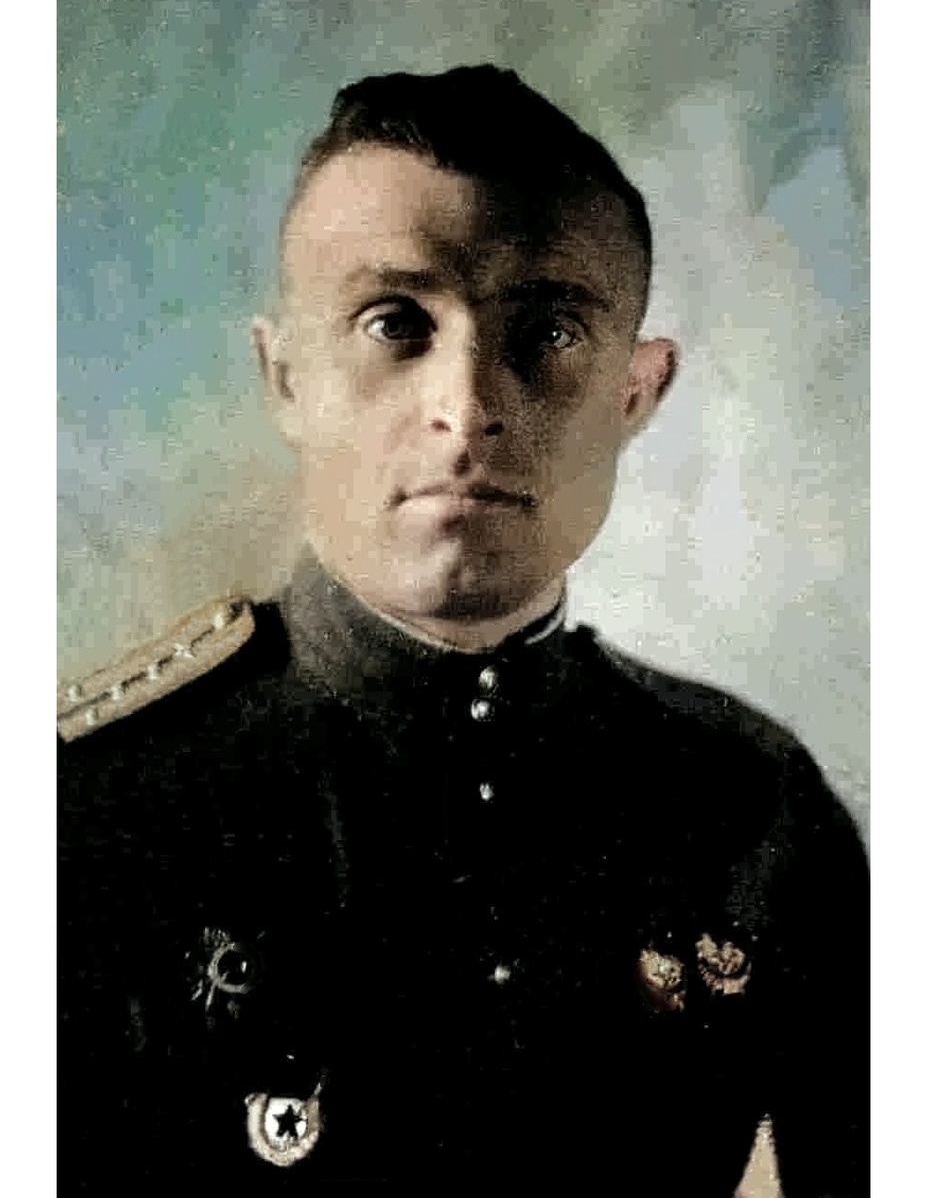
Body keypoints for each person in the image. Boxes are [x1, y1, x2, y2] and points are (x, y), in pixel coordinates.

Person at [58, 65, 868, 1193]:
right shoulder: (90, 811)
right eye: (395, 323)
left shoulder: (751, 804)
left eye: (548, 331)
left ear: (636, 392)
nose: (469, 405)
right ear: (285, 378)